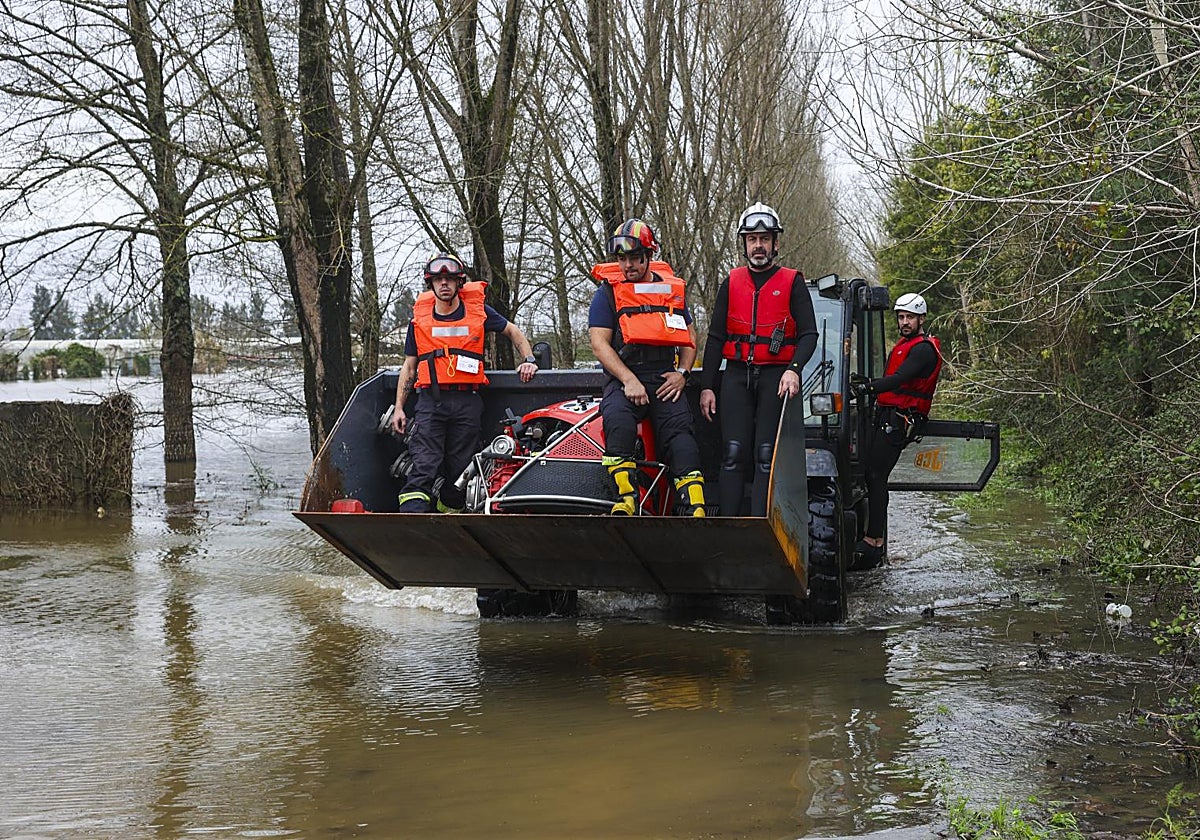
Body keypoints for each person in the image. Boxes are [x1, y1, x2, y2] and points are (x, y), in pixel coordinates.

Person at [391, 252, 538, 512]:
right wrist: (400, 407)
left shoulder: (478, 310)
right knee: (424, 463)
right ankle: (412, 521)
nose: (444, 284)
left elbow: (513, 331)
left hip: (467, 400)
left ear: (460, 282)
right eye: (438, 279)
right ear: (431, 283)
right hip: (430, 401)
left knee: (462, 468)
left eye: (450, 279)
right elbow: (410, 366)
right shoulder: (419, 320)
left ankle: (453, 514)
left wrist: (528, 359)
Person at [698, 202, 818, 516]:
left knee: (766, 454)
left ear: (775, 243)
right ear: (745, 244)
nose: (758, 245)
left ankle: (761, 526)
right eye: (752, 239)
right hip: (737, 375)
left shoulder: (792, 282)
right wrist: (707, 386)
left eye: (764, 239)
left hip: (775, 377)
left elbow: (809, 334)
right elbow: (714, 338)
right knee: (733, 453)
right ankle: (727, 528)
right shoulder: (732, 281)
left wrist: (794, 369)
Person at [588, 218, 706, 517]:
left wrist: (683, 374)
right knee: (618, 422)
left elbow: (690, 338)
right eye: (622, 258)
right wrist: (628, 380)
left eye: (635, 258)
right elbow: (600, 344)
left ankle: (695, 507)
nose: (628, 265)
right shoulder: (607, 293)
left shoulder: (669, 291)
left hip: (665, 376)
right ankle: (626, 500)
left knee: (680, 435)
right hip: (625, 376)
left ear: (648, 256)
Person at [853, 292, 943, 563]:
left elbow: (902, 378)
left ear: (921, 319)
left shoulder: (923, 349)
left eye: (910, 317)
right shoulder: (907, 345)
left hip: (900, 421)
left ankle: (874, 539)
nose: (905, 322)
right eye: (901, 317)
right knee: (871, 474)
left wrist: (866, 388)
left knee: (876, 475)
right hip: (890, 416)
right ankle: (874, 537)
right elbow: (895, 380)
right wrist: (869, 382)